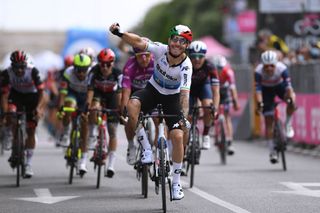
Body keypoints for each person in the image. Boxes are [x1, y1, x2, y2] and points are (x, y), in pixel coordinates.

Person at [109, 23, 192, 200]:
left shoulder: (187, 66)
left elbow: (184, 95)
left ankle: (176, 183)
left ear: (187, 46)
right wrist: (120, 33)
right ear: (169, 40)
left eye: (182, 41)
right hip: (152, 91)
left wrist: (183, 117)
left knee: (177, 136)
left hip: (172, 99)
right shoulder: (161, 50)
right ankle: (146, 148)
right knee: (132, 106)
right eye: (174, 39)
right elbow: (138, 41)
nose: (177, 44)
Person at [1, 50, 46, 178]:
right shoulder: (7, 73)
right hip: (16, 96)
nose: (20, 70)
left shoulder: (33, 71)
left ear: (25, 65)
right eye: (16, 67)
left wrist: (38, 108)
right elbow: (4, 96)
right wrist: (5, 114)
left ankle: (28, 164)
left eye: (22, 67)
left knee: (31, 130)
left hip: (32, 97)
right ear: (12, 66)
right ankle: (10, 134)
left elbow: (42, 94)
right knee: (10, 113)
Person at [86, 48, 122, 178]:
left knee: (112, 130)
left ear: (113, 63)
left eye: (108, 64)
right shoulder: (94, 71)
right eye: (102, 64)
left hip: (112, 96)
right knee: (94, 107)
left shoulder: (118, 73)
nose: (105, 67)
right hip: (98, 94)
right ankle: (92, 134)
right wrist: (87, 106)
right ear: (99, 63)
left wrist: (121, 109)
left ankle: (111, 164)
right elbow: (90, 90)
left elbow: (120, 93)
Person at [255, 50, 296, 163]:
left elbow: (289, 88)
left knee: (292, 101)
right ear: (262, 65)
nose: (269, 69)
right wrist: (260, 103)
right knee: (269, 121)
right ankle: (272, 150)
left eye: (272, 66)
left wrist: (290, 99)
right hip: (265, 90)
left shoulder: (282, 68)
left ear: (276, 64)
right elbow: (258, 91)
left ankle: (288, 125)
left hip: (279, 86)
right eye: (266, 66)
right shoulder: (258, 71)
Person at [120, 39, 155, 165]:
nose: (145, 59)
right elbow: (126, 91)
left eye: (147, 55)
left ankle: (158, 149)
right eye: (141, 56)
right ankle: (131, 146)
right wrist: (124, 110)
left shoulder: (156, 63)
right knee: (129, 118)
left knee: (159, 119)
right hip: (135, 94)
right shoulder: (130, 66)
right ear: (135, 56)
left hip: (152, 93)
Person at [57, 53, 91, 176]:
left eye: (84, 70)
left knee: (85, 124)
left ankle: (83, 161)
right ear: (74, 67)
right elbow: (62, 92)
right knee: (69, 107)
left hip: (85, 97)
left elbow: (92, 94)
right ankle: (66, 133)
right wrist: (61, 107)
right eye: (79, 70)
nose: (81, 73)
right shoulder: (68, 73)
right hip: (72, 94)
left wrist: (88, 108)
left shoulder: (92, 74)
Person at [212, 55, 240, 155]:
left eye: (221, 68)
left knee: (227, 117)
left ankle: (229, 140)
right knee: (213, 112)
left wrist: (235, 101)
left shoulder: (228, 71)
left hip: (224, 91)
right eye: (217, 68)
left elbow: (233, 88)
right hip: (214, 90)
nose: (219, 70)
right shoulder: (211, 71)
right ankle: (216, 133)